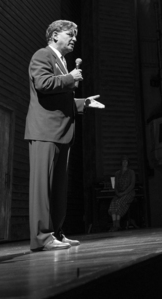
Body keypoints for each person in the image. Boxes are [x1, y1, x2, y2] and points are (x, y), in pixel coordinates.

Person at [25, 20, 104, 251]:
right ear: (54, 35)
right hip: (44, 131)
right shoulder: (42, 55)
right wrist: (71, 78)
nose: (75, 39)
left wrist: (84, 103)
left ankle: (56, 233)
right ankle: (41, 238)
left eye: (76, 35)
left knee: (58, 188)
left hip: (61, 133)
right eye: (71, 34)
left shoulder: (62, 61)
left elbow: (60, 97)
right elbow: (43, 84)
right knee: (43, 188)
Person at [108, 155, 136, 231]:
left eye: (126, 161)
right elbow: (116, 185)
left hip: (128, 193)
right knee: (113, 202)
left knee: (119, 202)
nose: (124, 163)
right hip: (119, 193)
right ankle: (114, 224)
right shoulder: (117, 173)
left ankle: (118, 223)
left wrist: (124, 193)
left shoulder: (131, 172)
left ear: (128, 163)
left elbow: (132, 185)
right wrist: (117, 193)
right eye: (123, 161)